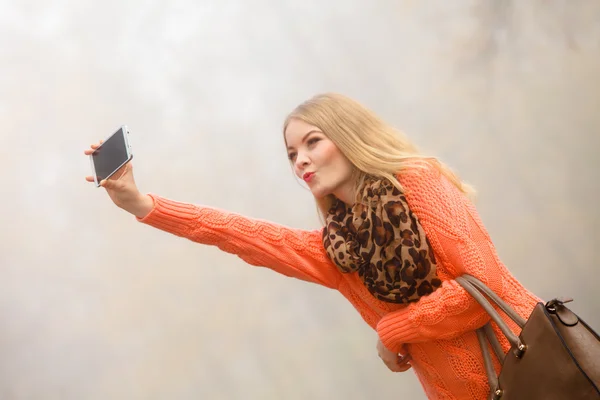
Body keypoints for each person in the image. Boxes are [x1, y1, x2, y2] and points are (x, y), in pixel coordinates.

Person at [84, 93, 541, 400]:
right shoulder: (337, 253)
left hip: (539, 374)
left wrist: (393, 330)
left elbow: (483, 286)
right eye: (291, 154)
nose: (300, 159)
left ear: (348, 136)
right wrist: (142, 204)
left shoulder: (418, 182)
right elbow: (235, 233)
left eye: (312, 142)